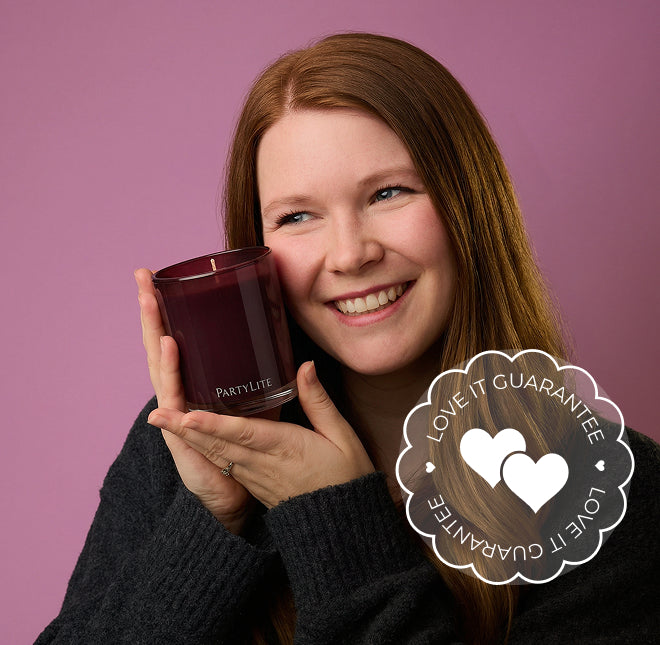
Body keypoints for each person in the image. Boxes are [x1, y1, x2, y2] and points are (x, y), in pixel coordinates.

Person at [37, 33, 659, 644]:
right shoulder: (189, 446)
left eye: (388, 193)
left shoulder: (616, 493)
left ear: (469, 207)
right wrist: (212, 521)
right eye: (297, 216)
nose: (349, 255)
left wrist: (334, 516)